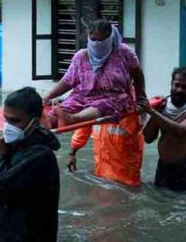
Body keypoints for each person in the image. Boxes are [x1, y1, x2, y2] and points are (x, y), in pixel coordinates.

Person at [42, 19, 147, 173]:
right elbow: (68, 81)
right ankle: (42, 122)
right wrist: (48, 96)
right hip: (84, 99)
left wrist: (141, 97)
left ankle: (71, 118)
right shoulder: (81, 56)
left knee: (100, 107)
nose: (97, 44)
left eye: (101, 40)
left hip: (112, 102)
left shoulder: (123, 53)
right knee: (67, 106)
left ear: (110, 38)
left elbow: (137, 73)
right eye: (93, 39)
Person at [0, 87, 60, 242]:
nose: (8, 126)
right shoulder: (16, 146)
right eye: (6, 119)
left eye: (15, 121)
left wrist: (1, 155)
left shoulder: (40, 156)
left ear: (34, 122)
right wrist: (5, 153)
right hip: (4, 241)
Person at [141, 67, 186, 192]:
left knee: (184, 208)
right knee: (161, 206)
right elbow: (148, 137)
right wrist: (156, 111)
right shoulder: (163, 105)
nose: (179, 90)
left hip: (185, 169)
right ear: (171, 84)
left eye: (184, 87)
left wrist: (151, 111)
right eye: (176, 85)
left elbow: (181, 131)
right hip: (163, 167)